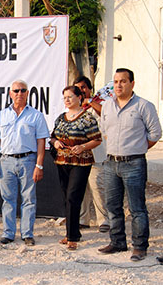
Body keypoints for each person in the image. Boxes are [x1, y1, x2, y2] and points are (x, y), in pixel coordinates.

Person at [98, 68, 162, 261]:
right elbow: (104, 130)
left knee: (137, 208)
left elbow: (155, 134)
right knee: (112, 206)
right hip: (111, 163)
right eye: (116, 81)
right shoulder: (107, 106)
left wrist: (138, 148)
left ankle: (140, 246)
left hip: (134, 163)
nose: (119, 85)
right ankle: (117, 242)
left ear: (132, 83)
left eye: (123, 81)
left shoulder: (144, 106)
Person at [0, 80, 50, 246]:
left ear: (28, 93)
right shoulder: (1, 115)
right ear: (10, 93)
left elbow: (41, 142)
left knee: (29, 199)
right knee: (7, 199)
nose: (19, 93)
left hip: (28, 161)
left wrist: (39, 165)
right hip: (6, 161)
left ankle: (27, 234)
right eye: (16, 91)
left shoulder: (36, 115)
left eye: (23, 90)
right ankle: (8, 233)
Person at [50, 86, 102, 250]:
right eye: (64, 97)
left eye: (70, 96)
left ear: (79, 97)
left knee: (73, 196)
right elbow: (52, 137)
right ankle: (71, 233)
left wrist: (83, 147)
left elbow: (97, 139)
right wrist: (55, 142)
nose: (67, 100)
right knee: (66, 197)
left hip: (81, 162)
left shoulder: (87, 118)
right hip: (62, 161)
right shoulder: (60, 118)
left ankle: (73, 236)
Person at [76, 76, 109, 233]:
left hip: (96, 154)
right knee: (81, 189)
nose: (81, 91)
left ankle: (104, 220)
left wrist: (90, 102)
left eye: (84, 87)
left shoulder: (101, 104)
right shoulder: (75, 108)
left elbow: (106, 115)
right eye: (78, 88)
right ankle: (83, 219)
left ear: (90, 88)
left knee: (97, 187)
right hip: (79, 155)